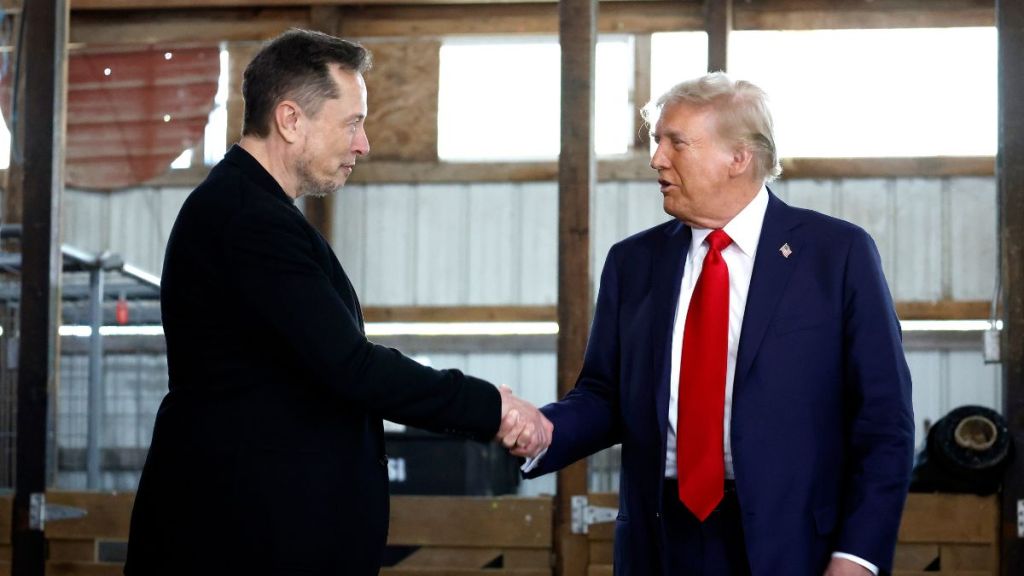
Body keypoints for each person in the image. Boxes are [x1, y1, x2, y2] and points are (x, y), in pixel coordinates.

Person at [125, 29, 550, 576]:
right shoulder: (249, 222)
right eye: (352, 122)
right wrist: (491, 406)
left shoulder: (252, 211)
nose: (363, 144)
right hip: (239, 540)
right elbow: (349, 365)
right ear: (290, 119)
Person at [520, 73, 914, 575]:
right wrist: (543, 430)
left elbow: (884, 422)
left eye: (676, 143)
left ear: (738, 157)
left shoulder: (836, 255)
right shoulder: (633, 263)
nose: (656, 158)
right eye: (656, 140)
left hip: (792, 546)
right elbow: (604, 396)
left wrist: (857, 555)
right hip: (659, 541)